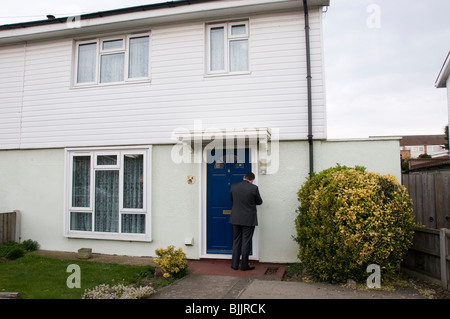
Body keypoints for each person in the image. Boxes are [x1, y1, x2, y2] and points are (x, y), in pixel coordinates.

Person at [229, 172, 263, 271]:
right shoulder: (254, 188)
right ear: (252, 180)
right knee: (246, 241)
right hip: (248, 218)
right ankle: (244, 265)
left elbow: (232, 199)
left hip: (235, 218)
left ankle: (234, 264)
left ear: (244, 177)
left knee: (236, 240)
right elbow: (259, 202)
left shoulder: (234, 186)